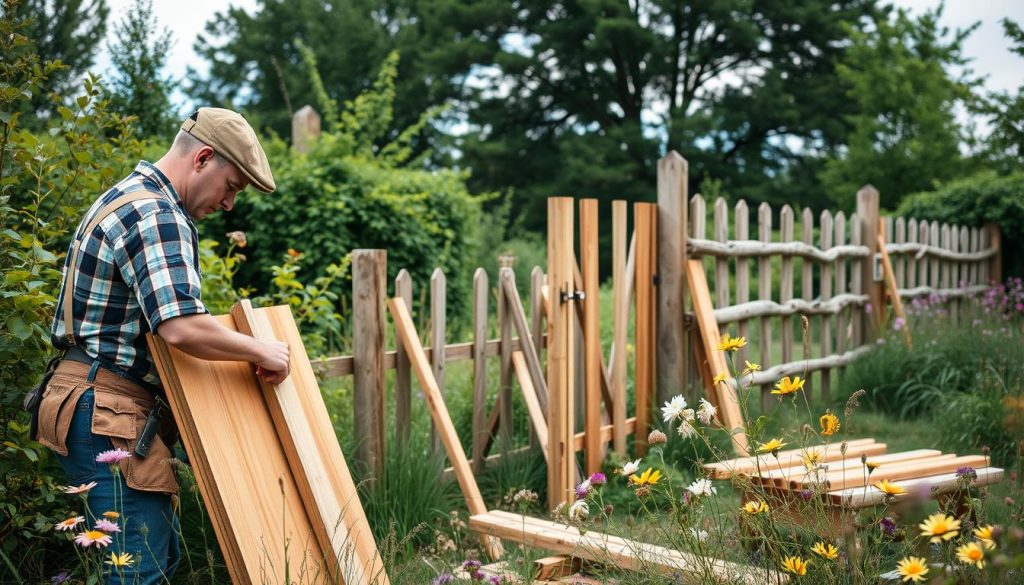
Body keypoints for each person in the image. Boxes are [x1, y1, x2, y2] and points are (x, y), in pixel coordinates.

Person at [35, 108, 290, 584]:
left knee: (149, 562)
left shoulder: (126, 198)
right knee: (140, 573)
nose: (230, 203)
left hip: (97, 403)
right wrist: (261, 351)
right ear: (204, 158)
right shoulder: (157, 212)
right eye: (232, 186)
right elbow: (180, 326)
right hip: (107, 411)